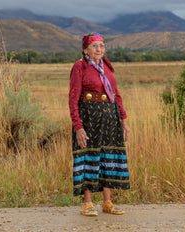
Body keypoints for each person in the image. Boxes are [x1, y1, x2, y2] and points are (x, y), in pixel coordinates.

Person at [69, 32, 130, 216]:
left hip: (110, 118)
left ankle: (107, 202)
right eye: (94, 45)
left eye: (102, 45)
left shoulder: (107, 67)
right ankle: (87, 203)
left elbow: (116, 95)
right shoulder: (80, 66)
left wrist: (124, 120)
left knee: (108, 157)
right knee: (89, 156)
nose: (99, 49)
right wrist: (78, 127)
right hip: (88, 118)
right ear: (85, 49)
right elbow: (73, 99)